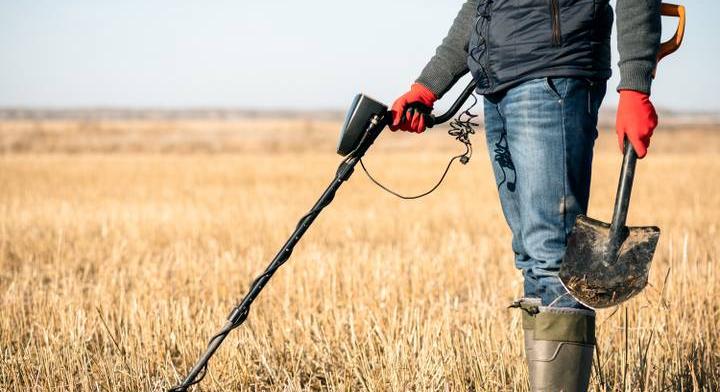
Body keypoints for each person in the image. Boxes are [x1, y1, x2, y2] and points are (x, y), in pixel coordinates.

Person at [389, 0, 661, 390]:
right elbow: (481, 7)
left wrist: (634, 83)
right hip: (500, 86)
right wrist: (427, 86)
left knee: (554, 261)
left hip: (553, 76)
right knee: (532, 258)